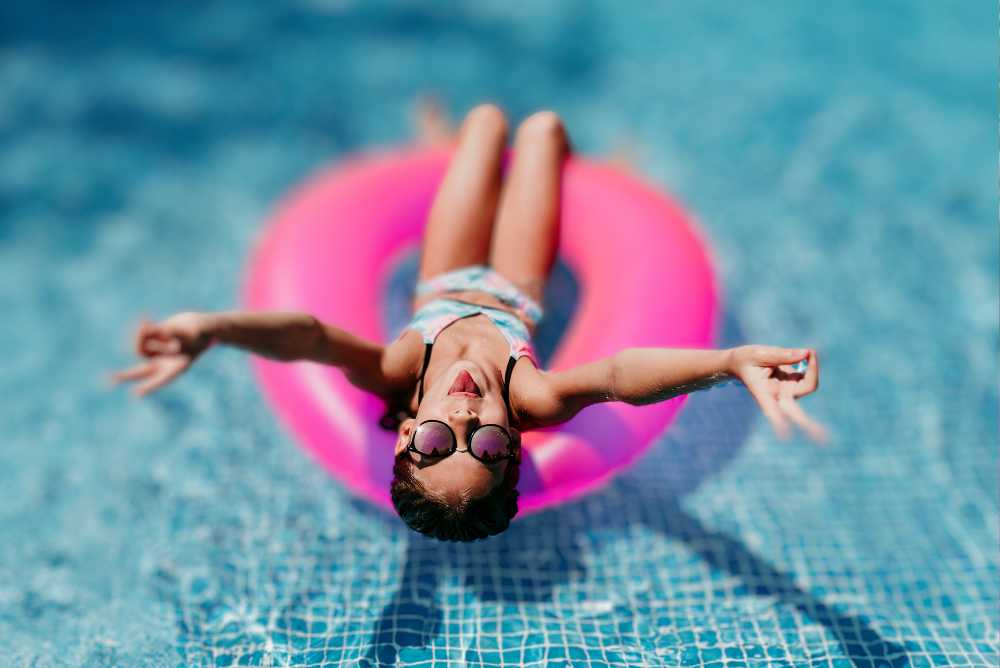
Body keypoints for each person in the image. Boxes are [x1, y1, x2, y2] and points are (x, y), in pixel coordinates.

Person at [109, 102, 828, 542]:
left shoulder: (399, 370)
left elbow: (308, 337)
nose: (460, 412)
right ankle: (589, 175)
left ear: (402, 432)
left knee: (485, 122)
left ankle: (449, 146)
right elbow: (618, 377)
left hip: (446, 270)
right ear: (514, 442)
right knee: (542, 130)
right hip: (516, 282)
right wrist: (727, 365)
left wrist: (215, 329)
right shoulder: (532, 397)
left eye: (431, 439)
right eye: (483, 441)